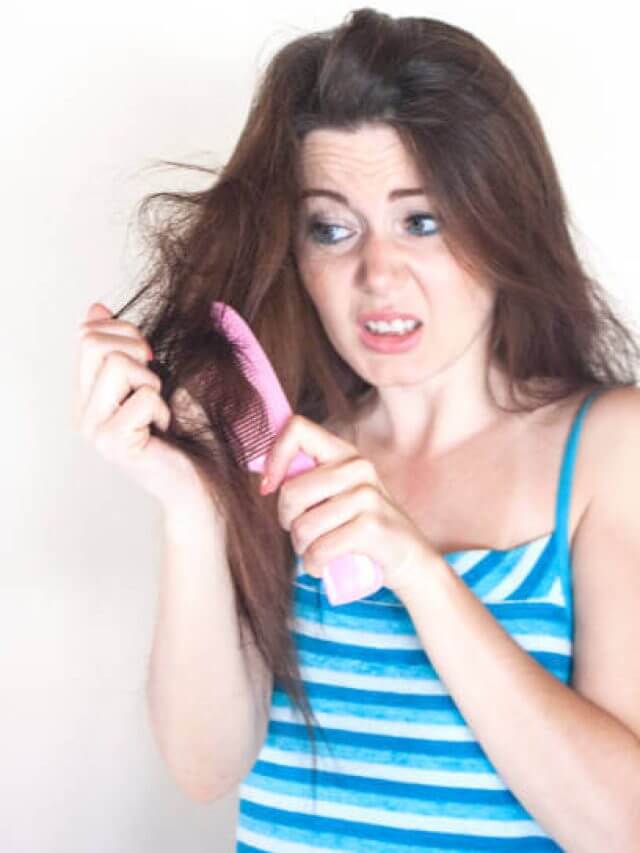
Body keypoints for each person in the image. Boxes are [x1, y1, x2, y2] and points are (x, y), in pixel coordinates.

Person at [73, 8, 640, 851]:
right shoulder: (279, 446)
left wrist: (418, 572)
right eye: (332, 228)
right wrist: (195, 508)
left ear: (502, 220)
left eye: (423, 220)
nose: (378, 273)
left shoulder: (608, 449)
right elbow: (204, 767)